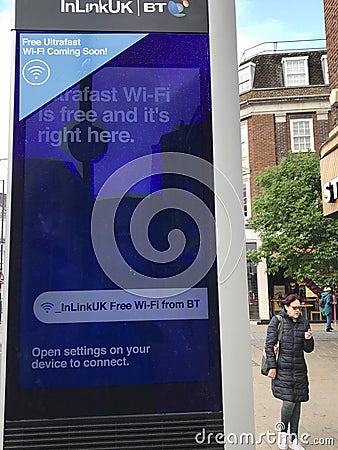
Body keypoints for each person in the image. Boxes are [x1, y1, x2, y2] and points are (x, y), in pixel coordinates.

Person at [264, 294, 314, 450]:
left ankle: (293, 439)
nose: (298, 311)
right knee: (289, 402)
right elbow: (269, 345)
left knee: (297, 402)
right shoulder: (277, 321)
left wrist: (308, 339)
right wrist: (272, 367)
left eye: (299, 308)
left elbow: (309, 349)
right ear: (286, 307)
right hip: (282, 369)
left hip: (299, 369)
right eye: (294, 308)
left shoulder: (304, 323)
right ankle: (282, 432)